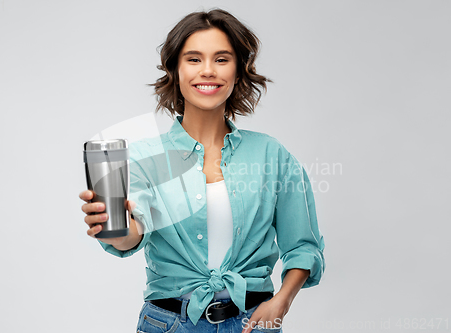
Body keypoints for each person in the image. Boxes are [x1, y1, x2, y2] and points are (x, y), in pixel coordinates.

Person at [80, 8, 325, 333]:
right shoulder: (145, 158)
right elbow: (132, 234)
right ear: (175, 71)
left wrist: (282, 301)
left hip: (253, 323)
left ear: (238, 71)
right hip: (169, 324)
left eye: (221, 59)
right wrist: (111, 226)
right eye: (194, 59)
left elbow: (303, 246)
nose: (207, 71)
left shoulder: (271, 154)